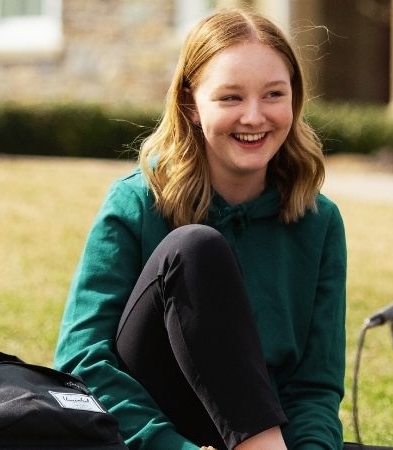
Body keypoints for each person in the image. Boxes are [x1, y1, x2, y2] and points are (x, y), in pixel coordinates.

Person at [52, 8, 346, 450]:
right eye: (230, 98)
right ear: (191, 104)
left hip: (270, 438)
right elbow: (82, 360)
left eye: (273, 94)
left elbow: (314, 388)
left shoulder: (319, 221)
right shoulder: (136, 201)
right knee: (194, 248)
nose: (254, 117)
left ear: (295, 100)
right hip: (150, 436)